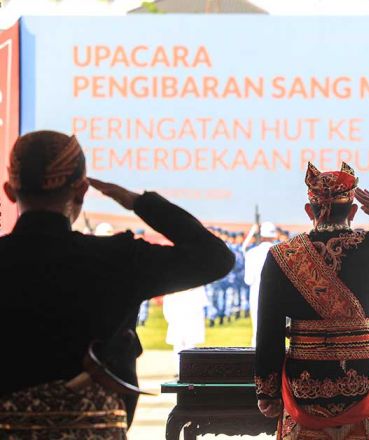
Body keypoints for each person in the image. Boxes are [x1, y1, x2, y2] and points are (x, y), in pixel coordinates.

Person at [0, 130, 234, 438]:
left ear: (10, 191)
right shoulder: (117, 259)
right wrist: (140, 202)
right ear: (81, 190)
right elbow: (214, 257)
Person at [254, 162, 369, 440]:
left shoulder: (283, 255)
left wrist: (267, 390)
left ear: (310, 210)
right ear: (354, 210)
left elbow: (268, 329)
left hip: (305, 380)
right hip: (363, 377)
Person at [245, 221, 279, 346]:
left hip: (256, 293)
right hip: (275, 295)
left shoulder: (251, 253)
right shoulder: (280, 252)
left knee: (257, 329)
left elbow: (248, 280)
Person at [163, 286, 209, 367]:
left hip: (192, 320)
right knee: (178, 345)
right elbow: (167, 305)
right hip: (177, 319)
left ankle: (189, 367)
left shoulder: (197, 287)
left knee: (190, 345)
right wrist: (171, 319)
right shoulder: (173, 287)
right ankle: (179, 368)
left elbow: (202, 304)